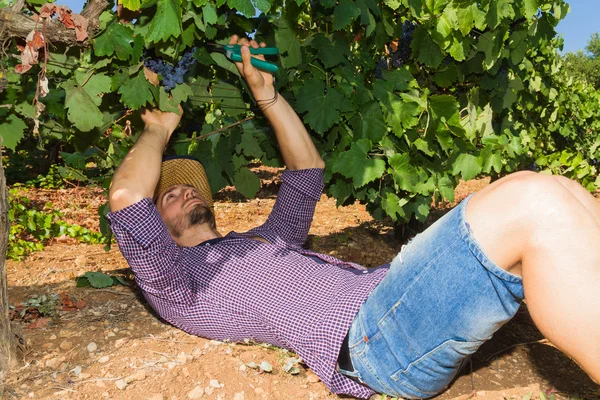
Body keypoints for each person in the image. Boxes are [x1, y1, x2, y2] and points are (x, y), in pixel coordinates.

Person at [107, 35, 600, 399]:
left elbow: (307, 171)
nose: (182, 191)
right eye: (167, 195)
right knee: (535, 201)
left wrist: (265, 95)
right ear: (154, 225)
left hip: (396, 301)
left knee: (563, 191)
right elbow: (127, 194)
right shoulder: (176, 282)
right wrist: (158, 128)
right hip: (373, 342)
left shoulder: (260, 242)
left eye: (187, 184)